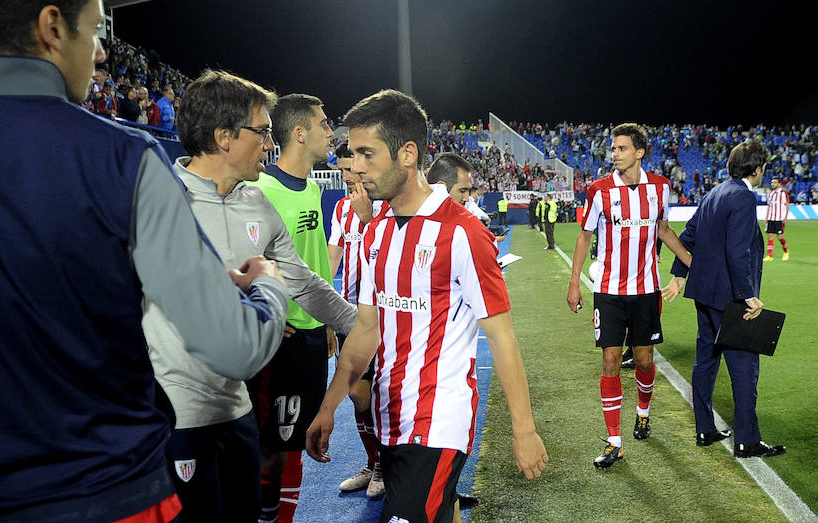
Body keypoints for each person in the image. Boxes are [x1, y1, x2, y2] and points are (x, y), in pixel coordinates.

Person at [0, 1, 290, 520]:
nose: (99, 52)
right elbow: (237, 346)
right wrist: (267, 285)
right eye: (95, 31)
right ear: (52, 27)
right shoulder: (125, 157)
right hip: (107, 489)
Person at [306, 89, 547, 523]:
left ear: (408, 154)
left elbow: (501, 336)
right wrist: (329, 407)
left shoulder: (463, 233)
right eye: (352, 153)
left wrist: (524, 429)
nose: (355, 167)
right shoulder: (376, 230)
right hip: (389, 420)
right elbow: (365, 329)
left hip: (437, 422)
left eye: (366, 153)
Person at [145, 69, 357, 522]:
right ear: (224, 137)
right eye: (261, 132)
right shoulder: (158, 201)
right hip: (176, 417)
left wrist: (356, 324)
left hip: (236, 410)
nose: (269, 143)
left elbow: (301, 280)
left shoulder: (256, 203)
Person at [566, 123, 692, 469]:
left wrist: (692, 263)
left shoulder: (661, 188)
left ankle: (643, 413)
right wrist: (575, 282)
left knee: (644, 358)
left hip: (647, 289)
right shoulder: (600, 191)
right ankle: (614, 442)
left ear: (639, 152)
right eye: (613, 148)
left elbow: (664, 230)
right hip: (608, 291)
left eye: (621, 148)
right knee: (609, 360)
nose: (614, 154)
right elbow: (584, 235)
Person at [246, 92, 337, 523]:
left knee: (295, 444)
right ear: (300, 133)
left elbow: (314, 265)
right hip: (280, 341)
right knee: (271, 450)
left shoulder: (315, 188)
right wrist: (261, 311)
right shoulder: (259, 190)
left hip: (313, 336)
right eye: (323, 123)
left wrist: (329, 324)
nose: (330, 130)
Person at [663, 141, 786, 458]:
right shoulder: (743, 197)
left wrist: (679, 274)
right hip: (729, 298)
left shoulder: (714, 192)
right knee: (745, 367)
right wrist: (748, 295)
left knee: (705, 361)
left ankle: (704, 429)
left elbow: (687, 234)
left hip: (704, 294)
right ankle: (747, 440)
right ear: (757, 168)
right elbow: (737, 252)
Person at [327, 142, 388, 499]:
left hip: (381, 317)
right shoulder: (340, 208)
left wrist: (368, 220)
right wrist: (323, 313)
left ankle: (386, 463)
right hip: (347, 314)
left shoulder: (386, 207)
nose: (347, 175)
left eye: (350, 168)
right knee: (355, 394)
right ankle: (374, 461)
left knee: (379, 395)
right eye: (343, 171)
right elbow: (332, 259)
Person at [763, 177, 790, 261]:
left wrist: (785, 217)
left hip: (779, 218)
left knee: (780, 237)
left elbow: (787, 205)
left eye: (775, 182)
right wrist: (767, 217)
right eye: (772, 182)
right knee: (770, 237)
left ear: (779, 184)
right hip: (771, 218)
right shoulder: (770, 193)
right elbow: (769, 206)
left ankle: (786, 252)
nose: (773, 184)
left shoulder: (783, 194)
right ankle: (770, 256)